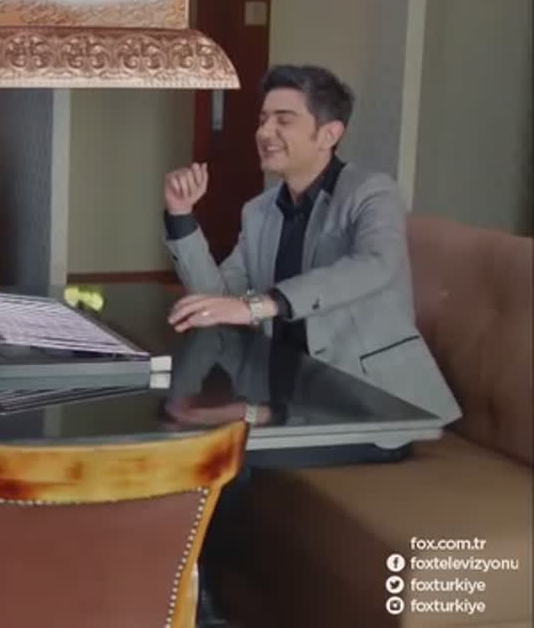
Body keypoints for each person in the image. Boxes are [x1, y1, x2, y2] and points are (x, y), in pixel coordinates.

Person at [160, 63, 460, 427]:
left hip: (375, 405)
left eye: (283, 120)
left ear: (329, 134)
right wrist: (181, 214)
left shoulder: (372, 192)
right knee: (188, 437)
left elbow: (375, 264)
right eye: (263, 119)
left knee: (229, 452)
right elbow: (218, 300)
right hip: (289, 399)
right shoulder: (258, 211)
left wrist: (266, 304)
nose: (264, 132)